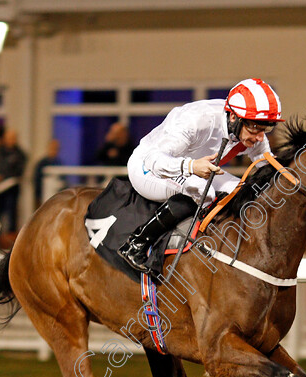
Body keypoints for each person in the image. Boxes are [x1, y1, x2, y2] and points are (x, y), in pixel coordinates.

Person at [118, 78, 283, 274]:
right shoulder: (197, 120)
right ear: (233, 118)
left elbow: (268, 165)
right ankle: (137, 243)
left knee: (240, 190)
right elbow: (153, 160)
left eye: (264, 129)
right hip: (147, 167)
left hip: (195, 166)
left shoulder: (248, 127)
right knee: (202, 190)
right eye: (255, 128)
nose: (259, 137)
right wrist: (191, 166)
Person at [0, 128, 27, 233]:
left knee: (12, 215)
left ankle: (10, 236)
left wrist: (3, 177)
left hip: (12, 190)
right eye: (8, 138)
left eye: (12, 138)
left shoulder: (20, 154)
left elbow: (19, 172)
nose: (10, 140)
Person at [32, 139, 62, 208]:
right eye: (52, 148)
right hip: (42, 195)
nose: (54, 150)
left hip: (56, 197)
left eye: (56, 148)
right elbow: (37, 180)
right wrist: (38, 195)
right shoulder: (42, 163)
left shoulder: (59, 163)